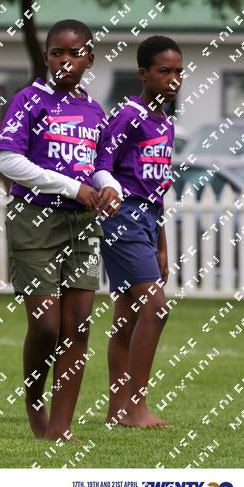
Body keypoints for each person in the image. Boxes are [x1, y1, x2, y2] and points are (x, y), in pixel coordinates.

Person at [0, 19, 122, 441]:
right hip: (35, 221)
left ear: (90, 59)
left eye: (75, 53)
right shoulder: (29, 100)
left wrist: (109, 187)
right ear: (46, 57)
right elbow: (9, 162)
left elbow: (100, 165)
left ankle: (60, 429)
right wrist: (73, 188)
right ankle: (35, 402)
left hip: (82, 224)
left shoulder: (94, 111)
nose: (65, 60)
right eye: (56, 53)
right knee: (47, 326)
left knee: (79, 324)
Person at [98, 35, 183, 428]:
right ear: (143, 74)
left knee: (128, 318)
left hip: (148, 221)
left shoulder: (165, 122)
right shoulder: (128, 116)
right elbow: (101, 164)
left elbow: (158, 189)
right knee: (156, 308)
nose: (173, 79)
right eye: (164, 71)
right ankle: (136, 406)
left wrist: (162, 244)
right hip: (123, 218)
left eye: (179, 71)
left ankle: (118, 410)